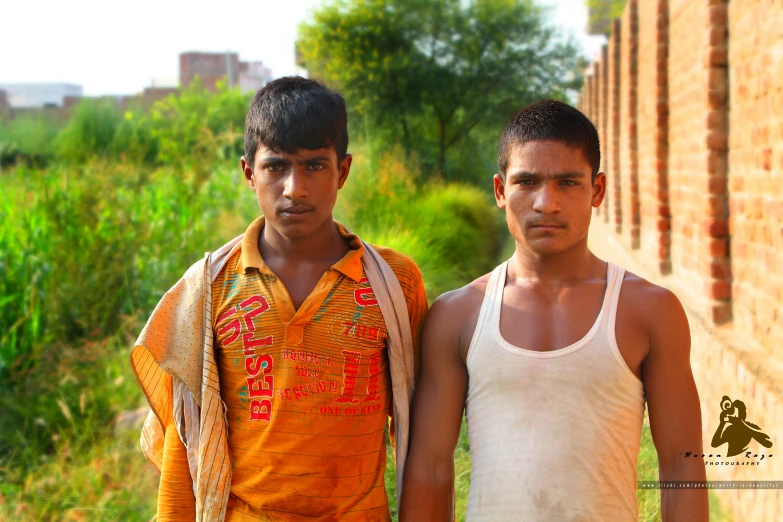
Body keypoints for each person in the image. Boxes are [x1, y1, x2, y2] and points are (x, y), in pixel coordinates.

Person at [130, 76, 428, 521]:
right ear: (249, 172)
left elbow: (419, 429)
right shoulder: (208, 290)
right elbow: (186, 437)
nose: (294, 188)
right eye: (276, 167)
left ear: (342, 171)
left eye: (314, 166)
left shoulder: (394, 284)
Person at [400, 100, 708, 521]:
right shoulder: (459, 315)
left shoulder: (649, 311)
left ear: (597, 190)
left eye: (568, 182)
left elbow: (682, 464)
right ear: (500, 191)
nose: (546, 203)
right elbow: (431, 468)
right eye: (526, 182)